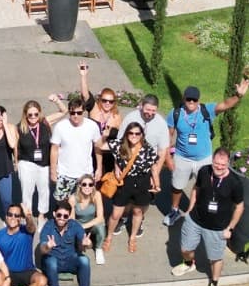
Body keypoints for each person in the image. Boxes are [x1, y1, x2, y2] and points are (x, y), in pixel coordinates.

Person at [164, 80, 249, 226]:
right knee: (177, 186)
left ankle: (196, 211)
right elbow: (168, 137)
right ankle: (174, 210)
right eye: (188, 99)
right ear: (184, 99)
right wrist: (168, 159)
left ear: (199, 100)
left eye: (194, 99)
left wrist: (238, 96)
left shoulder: (207, 111)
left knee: (204, 187)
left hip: (204, 159)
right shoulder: (176, 113)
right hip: (182, 157)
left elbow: (226, 104)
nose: (191, 102)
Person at [171, 148, 245, 286]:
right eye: (216, 163)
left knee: (215, 258)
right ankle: (189, 263)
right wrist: (190, 209)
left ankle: (214, 284)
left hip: (217, 228)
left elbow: (239, 207)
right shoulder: (204, 171)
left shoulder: (234, 183)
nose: (218, 167)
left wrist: (230, 228)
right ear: (212, 161)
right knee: (185, 249)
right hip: (195, 219)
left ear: (228, 164)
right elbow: (196, 189)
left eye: (222, 165)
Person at [116, 94, 171, 238]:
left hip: (147, 170)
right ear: (141, 105)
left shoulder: (161, 124)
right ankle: (124, 217)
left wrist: (156, 174)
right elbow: (120, 143)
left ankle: (139, 219)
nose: (150, 113)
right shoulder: (131, 118)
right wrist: (118, 168)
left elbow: (162, 150)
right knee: (126, 197)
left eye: (154, 111)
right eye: (148, 110)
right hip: (129, 167)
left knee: (144, 199)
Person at [103, 123, 161, 257]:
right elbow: (100, 146)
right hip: (125, 183)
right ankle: (109, 236)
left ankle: (133, 238)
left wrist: (157, 185)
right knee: (116, 214)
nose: (134, 136)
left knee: (137, 211)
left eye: (137, 133)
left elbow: (154, 169)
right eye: (131, 133)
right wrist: (104, 136)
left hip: (142, 183)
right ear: (126, 134)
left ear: (142, 135)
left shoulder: (148, 150)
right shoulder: (120, 145)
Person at [38, 202, 94, 286]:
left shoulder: (74, 225)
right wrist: (48, 246)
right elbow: (42, 250)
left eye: (65, 216)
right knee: (50, 262)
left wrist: (88, 244)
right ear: (54, 214)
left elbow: (87, 243)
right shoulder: (48, 226)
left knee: (84, 260)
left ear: (69, 216)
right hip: (54, 261)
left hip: (69, 260)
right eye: (59, 215)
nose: (62, 218)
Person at [49, 94, 105, 203]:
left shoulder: (92, 126)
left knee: (85, 204)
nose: (75, 116)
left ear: (83, 112)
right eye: (72, 113)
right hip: (64, 173)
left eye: (79, 113)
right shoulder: (60, 127)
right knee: (62, 204)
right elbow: (54, 149)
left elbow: (98, 148)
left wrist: (99, 168)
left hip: (85, 174)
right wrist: (53, 171)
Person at [0, 206, 45, 286]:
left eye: (17, 215)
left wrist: (28, 217)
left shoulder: (26, 231)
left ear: (20, 218)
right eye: (10, 214)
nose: (13, 217)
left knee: (42, 281)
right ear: (6, 217)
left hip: (27, 271)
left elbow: (31, 227)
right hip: (8, 273)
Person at [16, 100, 52, 220]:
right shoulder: (20, 128)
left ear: (39, 113)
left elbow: (64, 111)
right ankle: (28, 215)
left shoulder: (45, 123)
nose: (33, 117)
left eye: (36, 114)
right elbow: (15, 146)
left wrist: (57, 100)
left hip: (44, 163)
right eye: (30, 114)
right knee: (27, 190)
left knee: (44, 190)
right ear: (25, 114)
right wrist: (16, 163)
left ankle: (42, 215)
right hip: (27, 163)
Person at [67, 174, 107, 265]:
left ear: (93, 186)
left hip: (92, 223)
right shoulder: (73, 198)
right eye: (84, 184)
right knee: (78, 246)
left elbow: (100, 217)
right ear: (80, 185)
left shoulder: (97, 195)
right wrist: (79, 229)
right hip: (77, 224)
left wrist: (84, 226)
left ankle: (98, 249)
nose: (87, 187)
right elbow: (72, 219)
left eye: (90, 184)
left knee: (101, 227)